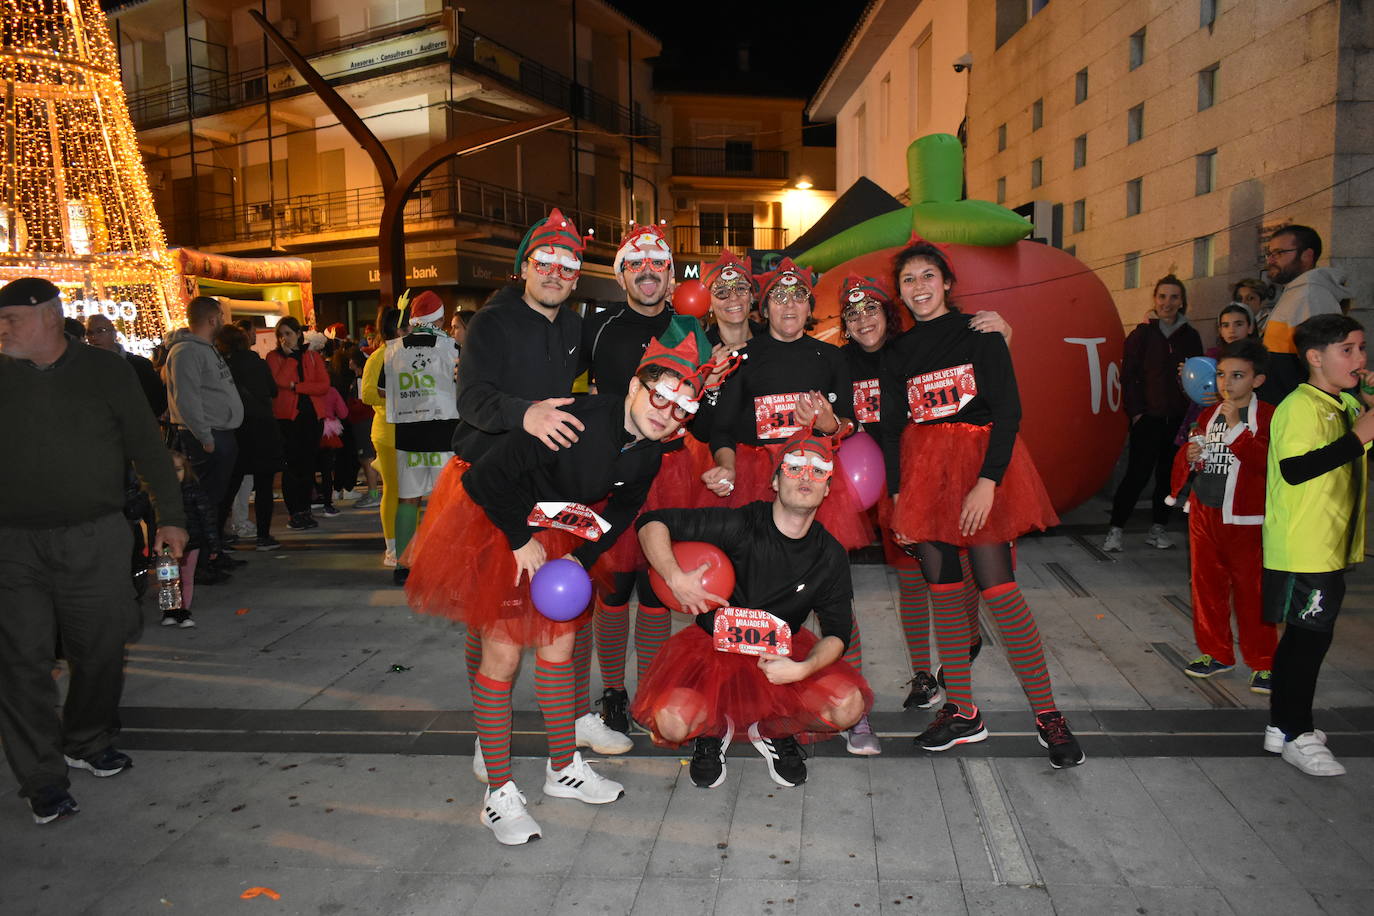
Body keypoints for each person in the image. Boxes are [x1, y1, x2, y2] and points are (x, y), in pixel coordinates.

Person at [403, 322, 715, 845]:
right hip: (501, 525)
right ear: (636, 386)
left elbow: (620, 511)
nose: (667, 412)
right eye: (660, 396)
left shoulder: (647, 450)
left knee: (560, 648)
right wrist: (518, 539)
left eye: (681, 407)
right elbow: (483, 481)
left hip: (556, 534)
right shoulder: (574, 423)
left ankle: (562, 768)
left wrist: (581, 560)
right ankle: (497, 795)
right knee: (501, 656)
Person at [879, 240, 1083, 768]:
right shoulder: (897, 353)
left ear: (946, 282)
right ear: (900, 292)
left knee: (1000, 590)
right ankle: (964, 712)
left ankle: (1049, 716)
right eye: (908, 280)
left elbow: (1009, 412)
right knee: (944, 592)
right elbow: (893, 430)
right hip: (924, 480)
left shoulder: (982, 332)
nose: (918, 287)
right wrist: (900, 498)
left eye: (928, 276)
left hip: (981, 473)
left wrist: (989, 482)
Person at [0, 276, 187, 824]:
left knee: (103, 645)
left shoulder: (106, 371)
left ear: (50, 319)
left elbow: (146, 449)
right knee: (20, 662)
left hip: (96, 535)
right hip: (11, 543)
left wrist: (171, 517)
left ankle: (85, 736)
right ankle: (41, 778)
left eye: (11, 320)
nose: (2, 330)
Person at [448, 209, 624, 756]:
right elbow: (471, 400)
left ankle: (570, 718)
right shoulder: (491, 322)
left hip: (546, 485)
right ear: (524, 267)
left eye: (566, 263)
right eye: (544, 261)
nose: (555, 272)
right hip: (488, 481)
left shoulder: (573, 325)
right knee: (492, 618)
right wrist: (524, 414)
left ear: (576, 275)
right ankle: (488, 734)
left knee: (561, 611)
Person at [631, 424, 874, 789]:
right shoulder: (742, 522)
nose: (805, 478)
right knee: (672, 724)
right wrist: (675, 577)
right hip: (712, 649)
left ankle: (774, 727)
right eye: (794, 467)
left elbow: (837, 632)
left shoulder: (830, 555)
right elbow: (652, 522)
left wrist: (802, 668)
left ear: (827, 488)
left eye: (817, 471)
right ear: (775, 481)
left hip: (782, 654)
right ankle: (714, 728)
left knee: (849, 706)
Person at [580, 224, 705, 742]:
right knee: (614, 588)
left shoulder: (694, 328)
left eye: (658, 265)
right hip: (613, 468)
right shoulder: (597, 327)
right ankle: (612, 691)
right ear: (622, 274)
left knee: (657, 591)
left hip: (673, 470)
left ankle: (652, 687)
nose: (648, 272)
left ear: (671, 274)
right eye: (636, 264)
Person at [1263, 314, 1373, 777]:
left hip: (1328, 545)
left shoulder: (1342, 403)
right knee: (1306, 642)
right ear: (1315, 357)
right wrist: (1360, 435)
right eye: (1347, 349)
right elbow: (1295, 469)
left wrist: (1364, 410)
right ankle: (1295, 731)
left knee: (1309, 638)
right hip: (1304, 547)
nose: (1360, 358)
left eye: (1361, 348)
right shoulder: (1299, 407)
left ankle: (1282, 724)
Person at [705, 258, 871, 552]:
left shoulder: (833, 358)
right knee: (757, 564)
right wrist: (727, 466)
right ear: (765, 309)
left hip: (814, 477)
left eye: (799, 296)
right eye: (779, 297)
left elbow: (851, 422)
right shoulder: (742, 358)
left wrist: (830, 426)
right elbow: (722, 430)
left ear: (810, 308)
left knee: (815, 566)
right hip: (754, 480)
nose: (790, 305)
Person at [1165, 339, 1276, 691]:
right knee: (1206, 589)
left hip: (1245, 520)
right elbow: (1200, 458)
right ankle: (1217, 653)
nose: (1227, 383)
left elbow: (1267, 464)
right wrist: (1193, 454)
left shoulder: (1269, 416)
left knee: (1252, 592)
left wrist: (1238, 429)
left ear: (1257, 379)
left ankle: (1264, 662)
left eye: (1238, 375)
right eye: (1223, 375)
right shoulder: (1207, 413)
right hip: (1204, 513)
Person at [1102, 276, 1203, 552]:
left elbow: (1197, 378)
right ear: (1155, 300)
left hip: (1178, 421)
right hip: (1148, 419)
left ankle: (1158, 528)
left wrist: (1192, 417)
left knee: (1168, 477)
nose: (1167, 303)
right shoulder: (1141, 335)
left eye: (1173, 297)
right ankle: (1115, 530)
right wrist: (1136, 413)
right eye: (1162, 297)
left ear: (1181, 301)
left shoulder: (1191, 337)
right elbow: (1130, 377)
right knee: (1137, 474)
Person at [381, 290, 460, 586]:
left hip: (408, 437)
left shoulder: (393, 350)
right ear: (439, 318)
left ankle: (403, 566)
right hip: (444, 436)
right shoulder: (452, 347)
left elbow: (381, 390)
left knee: (408, 500)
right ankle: (448, 563)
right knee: (448, 503)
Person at [164, 296, 244, 558]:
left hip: (220, 433)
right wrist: (205, 436)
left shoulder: (205, 348)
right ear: (212, 319)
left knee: (216, 499)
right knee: (205, 500)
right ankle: (203, 560)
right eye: (221, 316)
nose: (223, 321)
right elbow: (186, 399)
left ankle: (214, 551)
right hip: (207, 437)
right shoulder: (186, 351)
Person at [1260, 225, 1352, 399]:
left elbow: (1327, 365)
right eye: (1269, 254)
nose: (1271, 260)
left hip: (1303, 410)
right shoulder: (1297, 292)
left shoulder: (1311, 294)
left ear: (1307, 256)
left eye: (1279, 253)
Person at [215, 324, 282, 550]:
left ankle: (217, 535)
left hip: (237, 428)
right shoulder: (257, 362)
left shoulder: (223, 366)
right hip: (264, 427)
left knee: (230, 483)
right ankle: (263, 536)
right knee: (264, 485)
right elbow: (273, 390)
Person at [266, 316, 331, 530]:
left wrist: (297, 386)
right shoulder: (274, 357)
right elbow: (278, 381)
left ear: (298, 334)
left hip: (312, 417)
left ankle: (305, 510)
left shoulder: (312, 356)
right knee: (292, 467)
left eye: (288, 334)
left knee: (308, 466)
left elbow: (323, 386)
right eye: (281, 335)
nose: (284, 338)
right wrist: (291, 359)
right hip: (288, 419)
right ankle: (295, 513)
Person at [361, 308, 402, 564]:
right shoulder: (380, 356)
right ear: (398, 329)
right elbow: (367, 394)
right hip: (387, 434)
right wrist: (393, 395)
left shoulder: (405, 354)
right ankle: (392, 548)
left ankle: (401, 544)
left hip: (406, 434)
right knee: (395, 491)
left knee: (407, 494)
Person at [163, 450, 220, 627]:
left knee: (186, 578)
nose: (175, 474)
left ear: (186, 470)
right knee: (168, 580)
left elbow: (207, 519)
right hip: (167, 545)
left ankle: (184, 612)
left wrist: (213, 545)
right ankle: (170, 611)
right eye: (170, 470)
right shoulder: (161, 495)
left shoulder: (194, 491)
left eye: (178, 469)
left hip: (191, 543)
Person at [85, 313, 166, 418]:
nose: (94, 337)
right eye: (89, 333)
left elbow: (158, 401)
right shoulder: (85, 369)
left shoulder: (139, 365)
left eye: (100, 331)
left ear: (114, 334)